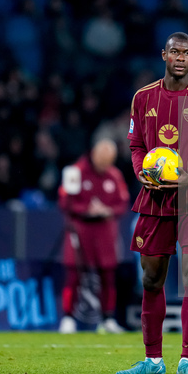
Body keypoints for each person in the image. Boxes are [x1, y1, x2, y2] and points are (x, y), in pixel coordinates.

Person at [115, 32, 188, 374]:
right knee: (151, 280)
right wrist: (140, 173)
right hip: (155, 198)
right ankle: (153, 360)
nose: (180, 57)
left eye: (186, 53)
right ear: (164, 55)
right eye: (174, 51)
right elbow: (135, 145)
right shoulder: (143, 98)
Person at [57, 139, 130, 334]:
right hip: (80, 230)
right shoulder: (76, 172)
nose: (104, 165)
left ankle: (107, 319)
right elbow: (65, 202)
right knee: (74, 275)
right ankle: (68, 318)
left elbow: (123, 203)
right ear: (94, 154)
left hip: (105, 233)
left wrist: (107, 210)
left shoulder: (114, 176)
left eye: (109, 161)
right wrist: (86, 209)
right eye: (102, 160)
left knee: (107, 276)